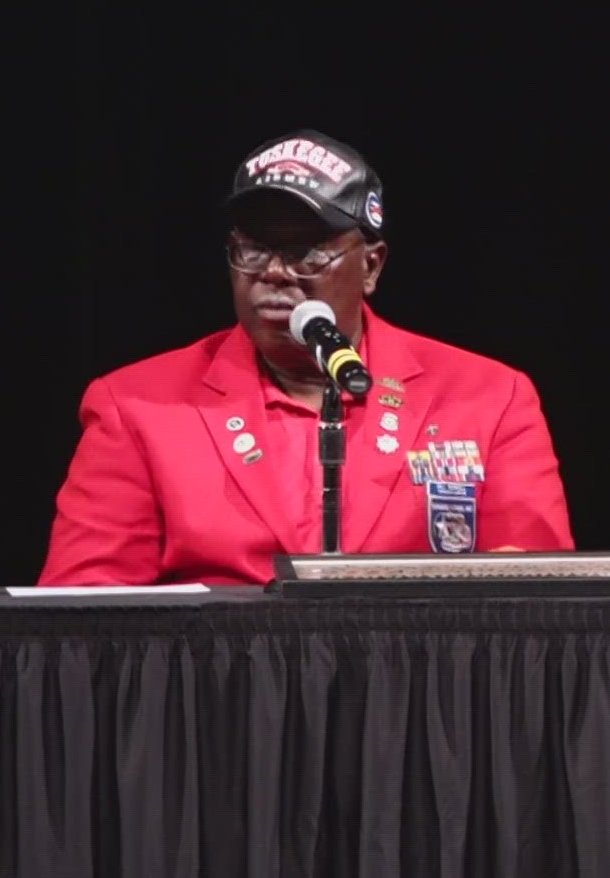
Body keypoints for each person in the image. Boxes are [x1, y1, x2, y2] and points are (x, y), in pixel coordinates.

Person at [38, 129, 574, 585]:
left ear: (371, 266)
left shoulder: (488, 397)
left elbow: (537, 608)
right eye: (253, 248)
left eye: (304, 251)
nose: (273, 272)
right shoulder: (137, 406)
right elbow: (81, 624)